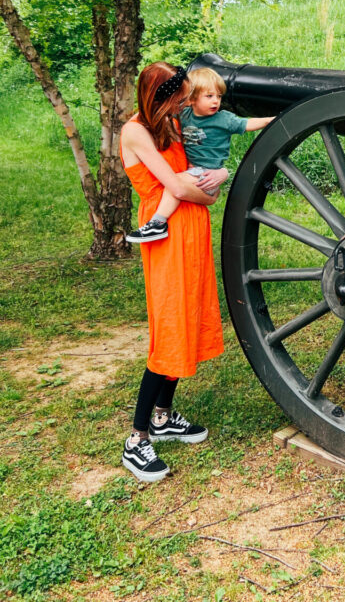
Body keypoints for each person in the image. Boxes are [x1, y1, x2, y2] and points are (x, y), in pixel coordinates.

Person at [119, 62, 228, 483]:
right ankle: (137, 439)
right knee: (168, 327)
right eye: (178, 98)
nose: (184, 104)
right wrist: (204, 186)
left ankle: (163, 418)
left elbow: (202, 188)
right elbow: (178, 187)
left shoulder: (171, 124)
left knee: (187, 319)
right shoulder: (136, 131)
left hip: (192, 227)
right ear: (157, 97)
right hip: (164, 234)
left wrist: (212, 180)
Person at [126, 66, 273, 243]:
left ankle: (158, 223)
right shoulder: (182, 117)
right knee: (177, 181)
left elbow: (248, 123)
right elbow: (178, 189)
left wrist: (273, 119)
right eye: (209, 96)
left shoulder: (221, 119)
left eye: (219, 96)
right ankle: (158, 222)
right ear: (191, 99)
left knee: (177, 180)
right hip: (185, 192)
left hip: (201, 179)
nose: (216, 101)